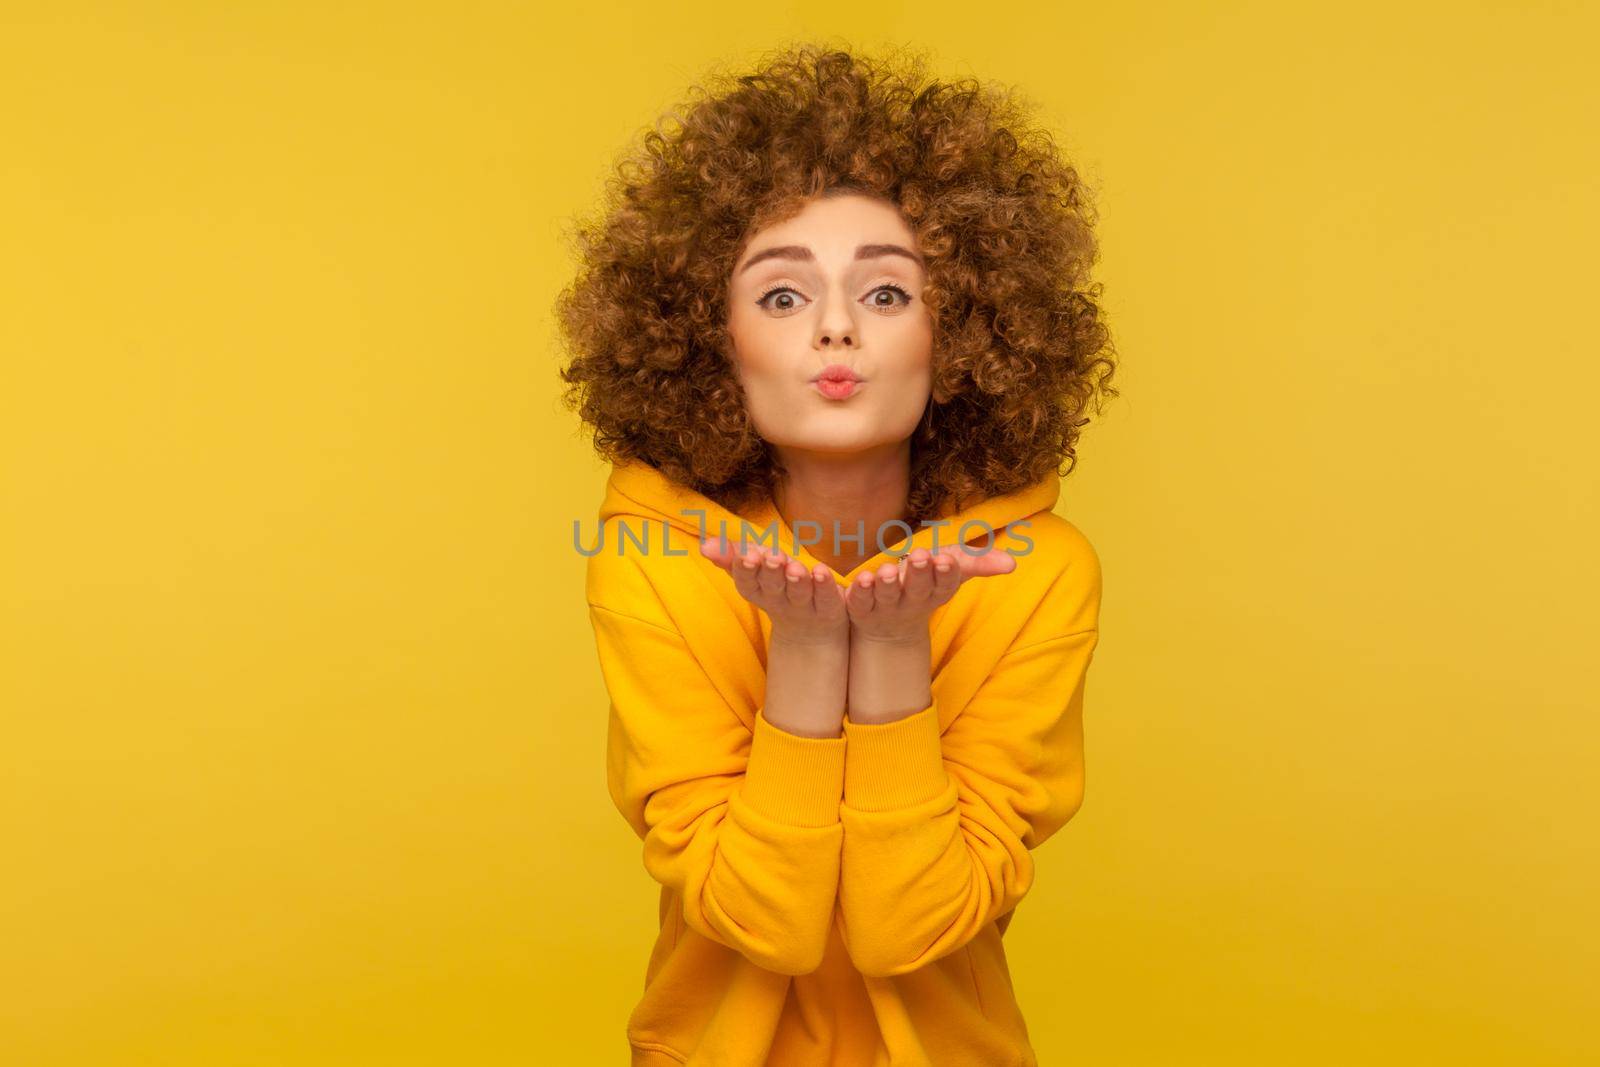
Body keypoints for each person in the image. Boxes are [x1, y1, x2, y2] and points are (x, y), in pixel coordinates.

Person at [556, 41, 1118, 1066]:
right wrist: (810, 650)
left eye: (888, 293)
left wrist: (893, 643)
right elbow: (760, 922)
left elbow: (910, 928)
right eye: (779, 296)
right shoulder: (649, 559)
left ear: (963, 335)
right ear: (709, 339)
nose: (833, 330)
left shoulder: (1037, 572)